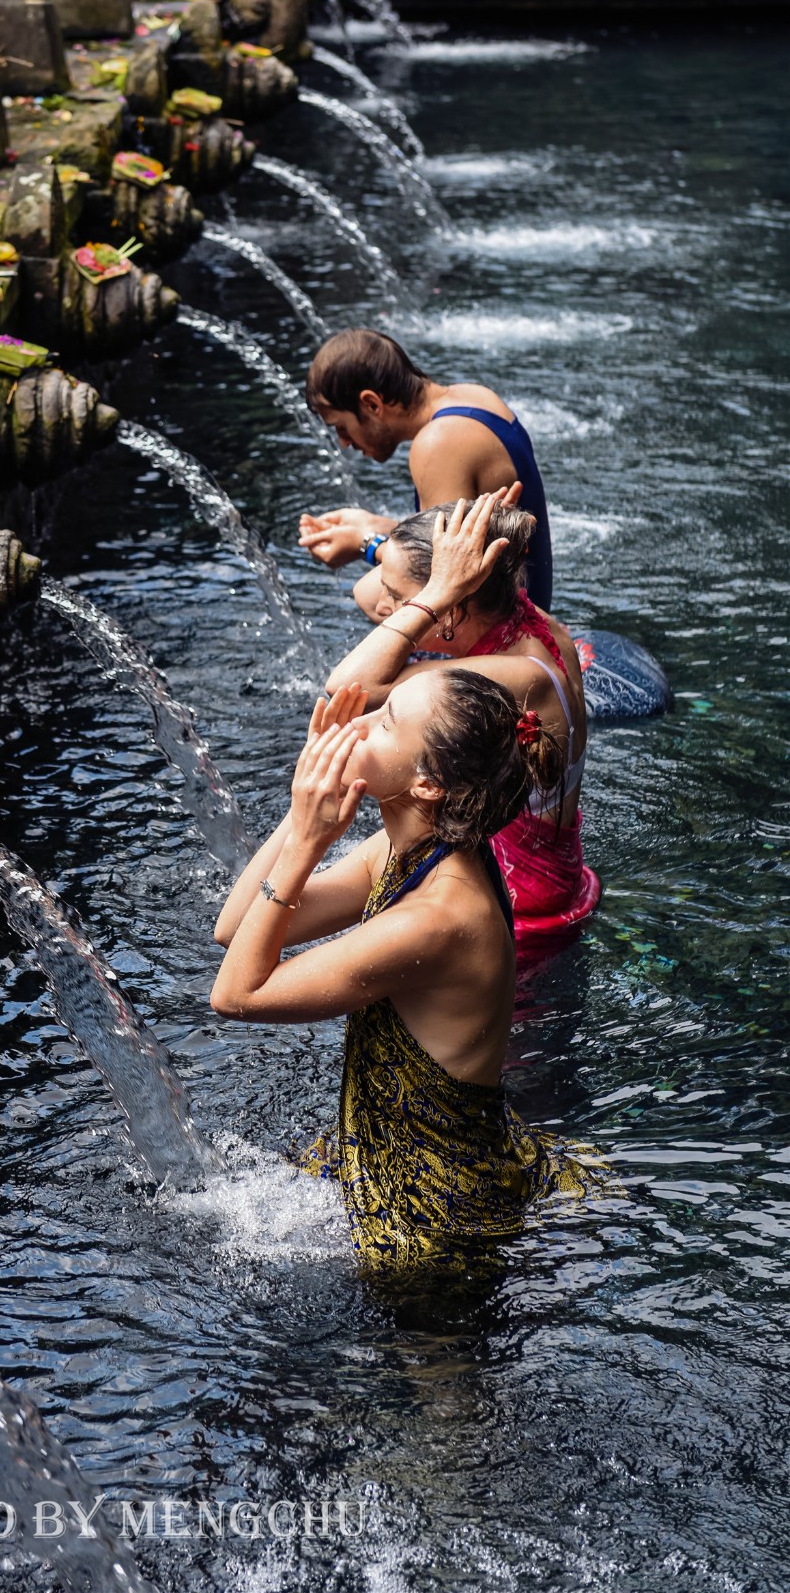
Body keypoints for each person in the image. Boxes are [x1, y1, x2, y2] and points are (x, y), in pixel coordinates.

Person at [210, 669, 604, 1277]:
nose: (360, 724)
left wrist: (310, 842)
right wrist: (304, 808)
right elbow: (235, 928)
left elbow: (236, 993)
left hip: (433, 1214)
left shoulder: (437, 918)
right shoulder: (403, 850)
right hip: (390, 1155)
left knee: (418, 1365)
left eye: (386, 719)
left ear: (426, 784)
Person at [321, 491, 598, 950]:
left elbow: (348, 686)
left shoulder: (516, 673)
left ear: (448, 606)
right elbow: (364, 592)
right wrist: (382, 546)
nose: (388, 610)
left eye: (402, 600)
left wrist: (434, 591)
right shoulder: (523, 619)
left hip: (521, 906)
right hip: (555, 871)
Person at [298, 328, 555, 611]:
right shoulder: (473, 396)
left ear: (371, 404)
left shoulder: (437, 443)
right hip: (534, 599)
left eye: (341, 427)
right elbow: (463, 534)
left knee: (370, 594)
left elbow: (441, 575)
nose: (344, 443)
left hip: (511, 624)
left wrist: (364, 543)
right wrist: (373, 524)